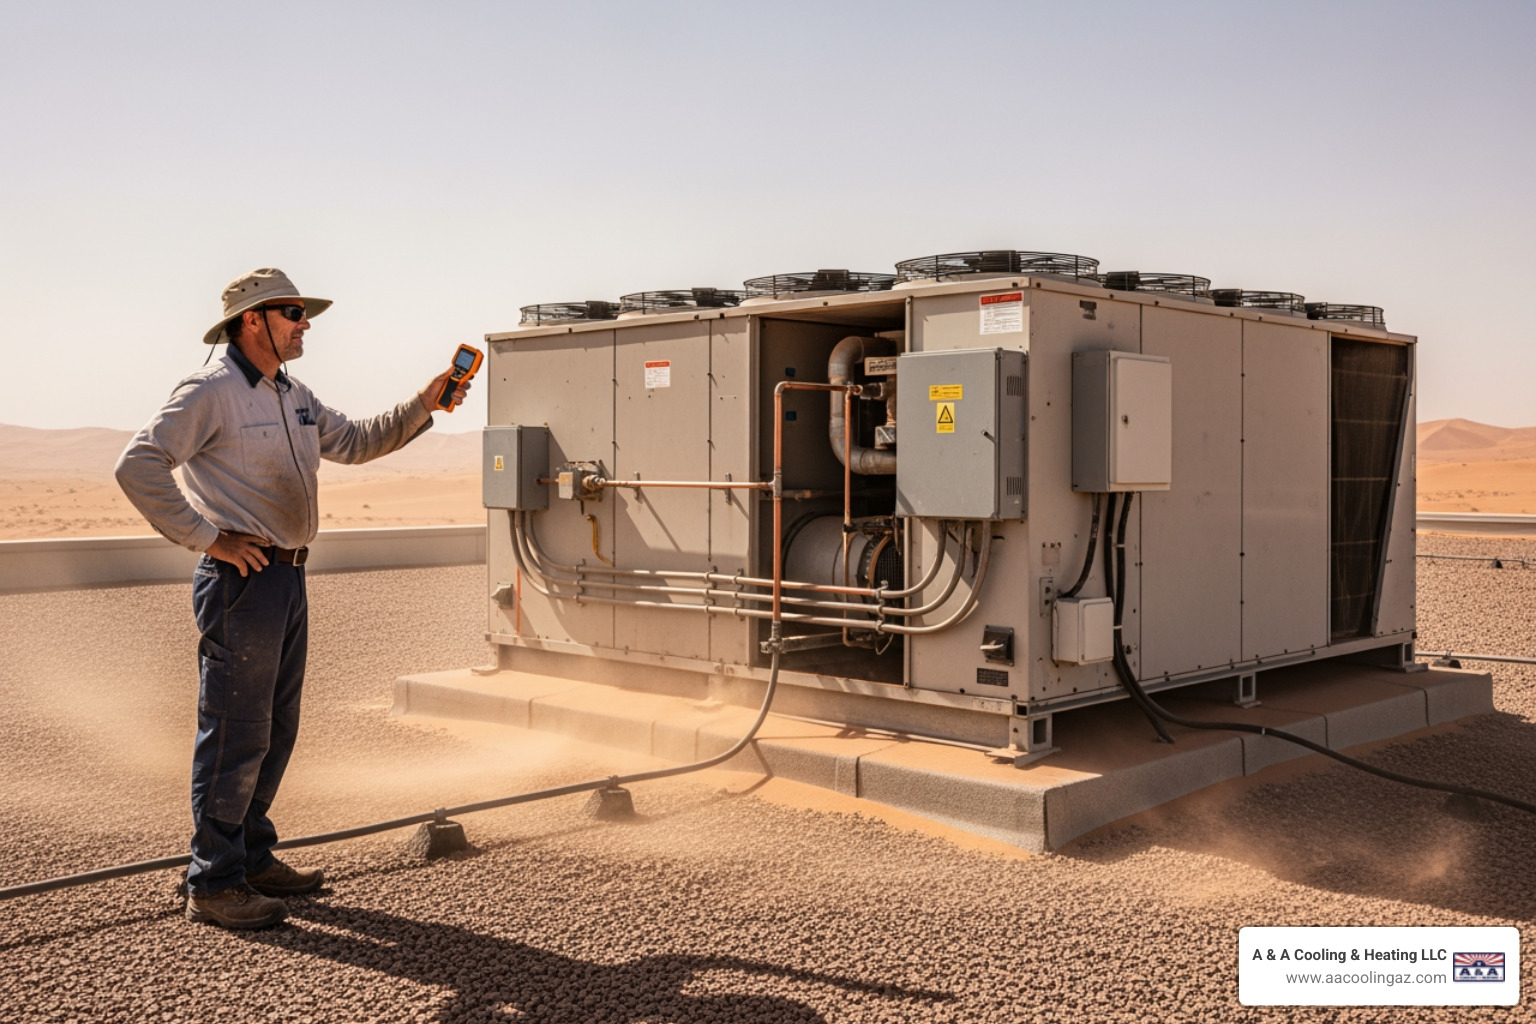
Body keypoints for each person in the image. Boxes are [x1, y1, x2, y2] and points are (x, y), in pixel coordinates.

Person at [115, 268, 470, 929]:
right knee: (234, 732)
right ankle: (213, 883)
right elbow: (137, 464)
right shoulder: (210, 391)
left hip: (288, 578)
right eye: (294, 312)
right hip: (242, 582)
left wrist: (426, 402)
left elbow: (359, 442)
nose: (306, 323)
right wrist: (208, 538)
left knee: (275, 730)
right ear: (254, 320)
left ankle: (250, 855)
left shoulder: (293, 392)